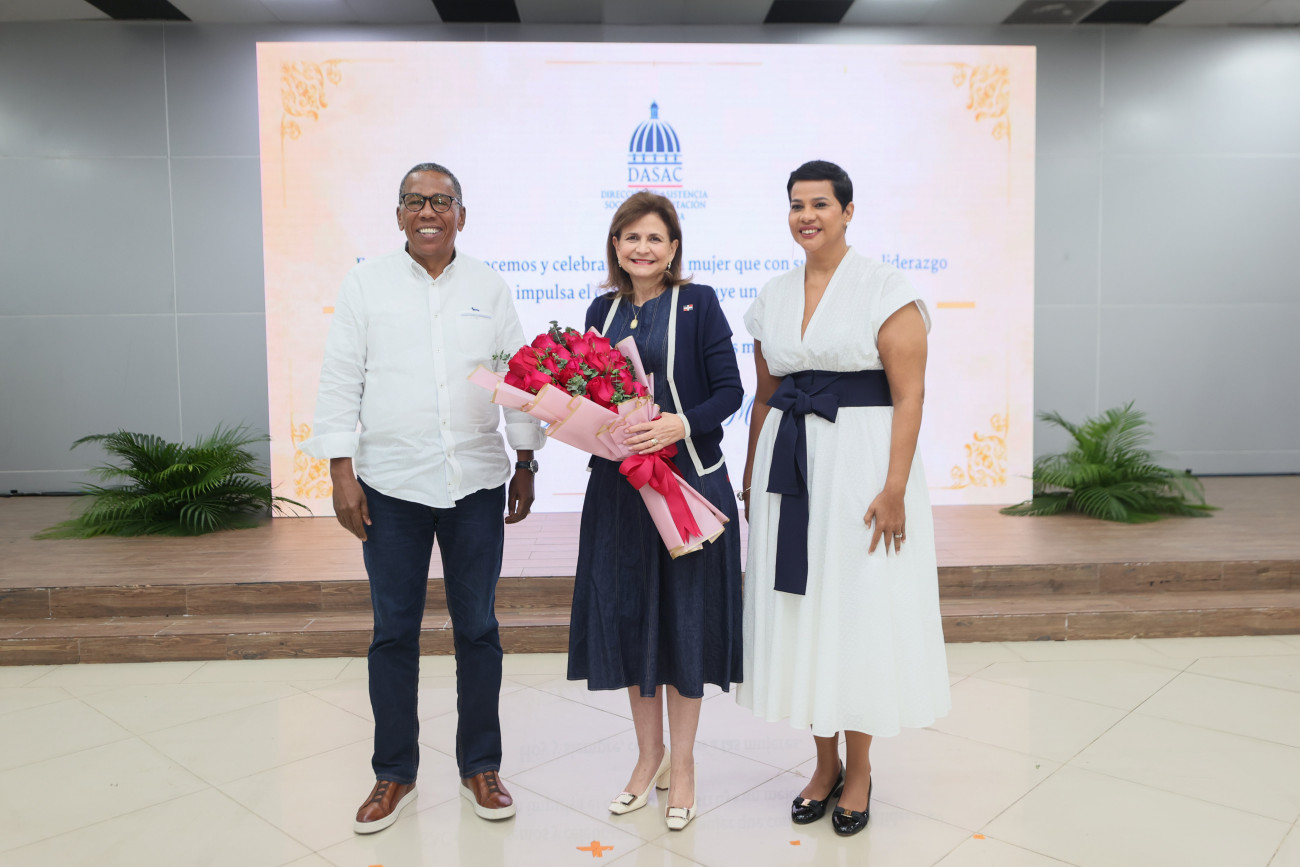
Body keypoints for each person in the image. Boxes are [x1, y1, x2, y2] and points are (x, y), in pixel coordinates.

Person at [299, 162, 545, 834]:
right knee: (393, 633)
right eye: (414, 201)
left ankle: (481, 766)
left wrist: (526, 459)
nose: (427, 212)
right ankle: (394, 773)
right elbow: (340, 377)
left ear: (461, 214)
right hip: (391, 486)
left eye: (441, 201)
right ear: (399, 213)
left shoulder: (489, 286)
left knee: (479, 630)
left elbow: (519, 378)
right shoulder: (365, 284)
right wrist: (340, 471)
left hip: (475, 482)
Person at [737, 160, 950, 837]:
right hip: (792, 469)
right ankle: (822, 764)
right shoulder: (773, 294)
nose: (807, 216)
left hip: (861, 468)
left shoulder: (886, 288)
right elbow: (765, 396)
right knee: (805, 612)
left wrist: (895, 488)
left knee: (855, 612)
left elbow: (909, 396)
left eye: (820, 204)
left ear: (848, 211)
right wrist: (751, 475)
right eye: (796, 204)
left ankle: (859, 770)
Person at [567, 191, 744, 832]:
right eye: (631, 237)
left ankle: (685, 765)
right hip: (621, 493)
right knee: (634, 622)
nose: (642, 248)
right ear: (616, 247)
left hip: (688, 487)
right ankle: (649, 759)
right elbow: (590, 395)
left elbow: (730, 391)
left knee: (684, 625)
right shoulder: (601, 310)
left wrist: (678, 424)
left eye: (654, 238)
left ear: (673, 250)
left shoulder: (700, 304)